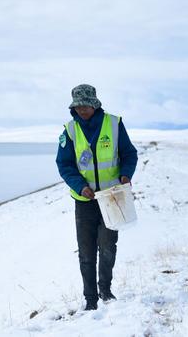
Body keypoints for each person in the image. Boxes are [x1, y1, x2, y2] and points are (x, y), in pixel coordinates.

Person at [55, 84, 138, 311]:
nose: (82, 110)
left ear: (95, 103)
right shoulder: (69, 131)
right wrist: (80, 187)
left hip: (111, 199)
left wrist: (125, 175)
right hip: (85, 202)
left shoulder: (114, 124)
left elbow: (129, 154)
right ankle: (90, 300)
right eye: (78, 106)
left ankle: (106, 291)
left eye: (86, 105)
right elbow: (64, 165)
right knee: (86, 252)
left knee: (108, 247)